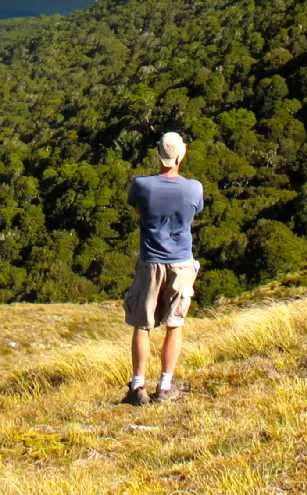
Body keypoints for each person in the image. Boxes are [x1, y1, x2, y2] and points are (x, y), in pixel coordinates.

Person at [122, 130, 204, 405]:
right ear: (181, 154)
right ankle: (165, 386)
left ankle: (137, 386)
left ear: (158, 154)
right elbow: (196, 210)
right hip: (181, 263)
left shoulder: (141, 186)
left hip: (150, 262)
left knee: (142, 325)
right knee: (174, 324)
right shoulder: (194, 187)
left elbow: (135, 205)